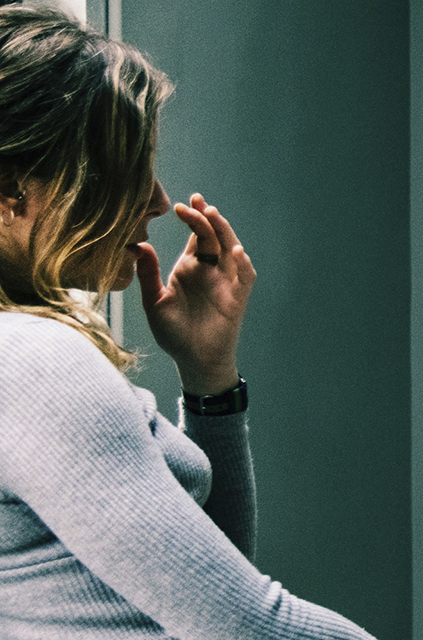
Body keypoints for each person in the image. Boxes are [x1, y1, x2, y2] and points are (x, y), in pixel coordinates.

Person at [0, 6, 373, 638]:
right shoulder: (33, 361)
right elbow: (247, 624)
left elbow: (208, 584)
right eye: (124, 169)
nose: (155, 199)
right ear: (12, 188)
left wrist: (208, 375)